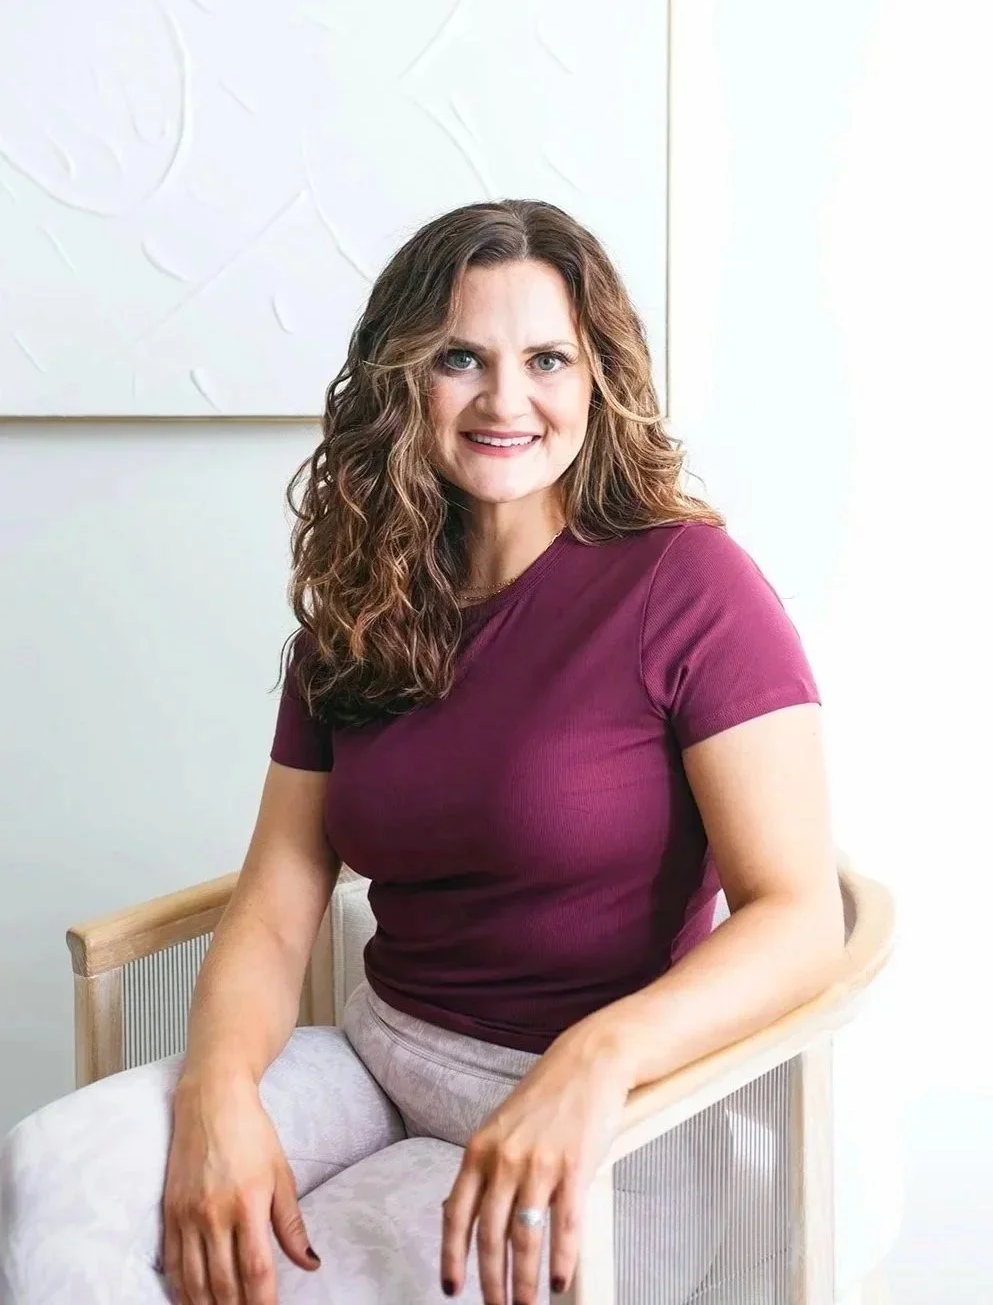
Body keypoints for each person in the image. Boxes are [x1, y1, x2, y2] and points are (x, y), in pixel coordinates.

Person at [0, 198, 844, 1305]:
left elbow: (799, 913)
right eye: (461, 357)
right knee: (50, 1180)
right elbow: (272, 904)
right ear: (406, 379)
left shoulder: (687, 586)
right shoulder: (360, 608)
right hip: (383, 1060)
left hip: (618, 1121)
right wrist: (218, 1097)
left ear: (600, 379)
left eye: (548, 357)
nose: (505, 399)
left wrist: (595, 1056)